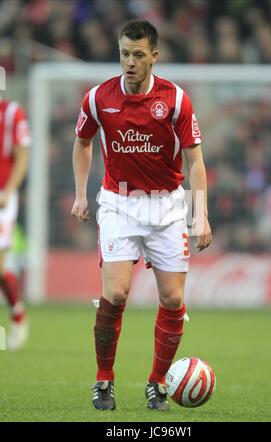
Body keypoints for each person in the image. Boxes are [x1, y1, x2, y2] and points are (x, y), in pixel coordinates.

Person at [71, 19, 212, 411]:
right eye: (123, 54)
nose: (129, 62)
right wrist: (81, 194)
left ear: (154, 55)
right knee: (114, 294)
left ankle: (157, 384)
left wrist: (200, 215)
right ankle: (103, 381)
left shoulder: (177, 100)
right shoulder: (99, 98)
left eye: (137, 54)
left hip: (167, 206)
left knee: (172, 299)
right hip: (119, 202)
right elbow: (82, 143)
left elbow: (195, 160)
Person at [0, 95, 30, 350]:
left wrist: (9, 190)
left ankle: (18, 315)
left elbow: (22, 156)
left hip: (2, 197)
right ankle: (18, 313)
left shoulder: (11, 113)